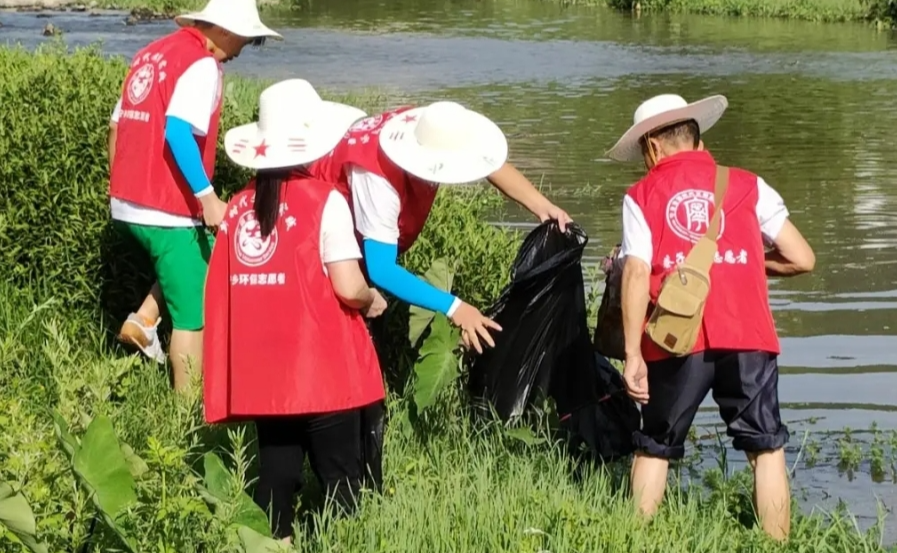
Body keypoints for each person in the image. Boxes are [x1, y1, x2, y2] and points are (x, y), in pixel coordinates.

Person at [607, 94, 815, 541]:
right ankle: (777, 546)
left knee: (655, 445)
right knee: (766, 446)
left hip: (675, 337)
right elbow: (802, 258)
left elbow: (637, 272)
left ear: (652, 147)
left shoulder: (641, 195)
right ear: (695, 137)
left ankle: (632, 541)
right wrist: (744, 265)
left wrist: (632, 354)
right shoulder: (749, 185)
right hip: (748, 333)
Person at [203, 79, 387, 544]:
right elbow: (347, 285)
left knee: (277, 476)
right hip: (322, 367)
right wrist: (372, 299)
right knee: (341, 479)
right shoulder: (325, 201)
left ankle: (274, 544)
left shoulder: (238, 206)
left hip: (266, 375)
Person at [107, 0, 282, 391]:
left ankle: (144, 319)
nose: (242, 50)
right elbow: (177, 132)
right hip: (164, 210)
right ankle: (186, 412)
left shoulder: (150, 54)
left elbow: (116, 126)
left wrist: (117, 187)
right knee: (192, 317)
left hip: (125, 206)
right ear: (224, 31)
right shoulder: (203, 65)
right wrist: (208, 197)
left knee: (202, 253)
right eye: (245, 40)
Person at [309, 101, 573, 353]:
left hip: (355, 229)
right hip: (314, 238)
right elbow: (382, 269)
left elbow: (488, 164)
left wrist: (543, 206)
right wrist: (455, 307)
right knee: (339, 335)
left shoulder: (427, 130)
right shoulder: (377, 178)